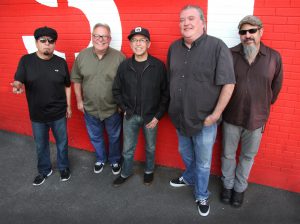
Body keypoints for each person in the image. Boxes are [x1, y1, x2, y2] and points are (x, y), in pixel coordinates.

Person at [167, 5, 236, 216]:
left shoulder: (217, 47)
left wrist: (215, 115)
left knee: (204, 163)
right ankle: (189, 176)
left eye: (190, 18)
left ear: (202, 23)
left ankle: (202, 194)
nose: (185, 23)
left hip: (205, 121)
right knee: (185, 153)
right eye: (182, 19)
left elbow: (229, 84)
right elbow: (172, 77)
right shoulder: (174, 48)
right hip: (179, 118)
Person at [220, 15, 283, 208]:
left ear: (260, 32)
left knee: (248, 156)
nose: (247, 35)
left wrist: (261, 105)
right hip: (231, 116)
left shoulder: (273, 57)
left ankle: (239, 188)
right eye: (243, 32)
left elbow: (276, 87)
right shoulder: (230, 55)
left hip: (256, 120)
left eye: (252, 31)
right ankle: (227, 186)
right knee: (228, 155)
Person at [12, 26, 72, 186]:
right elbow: (19, 80)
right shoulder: (26, 61)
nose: (47, 44)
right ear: (36, 42)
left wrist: (69, 106)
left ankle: (64, 167)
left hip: (59, 113)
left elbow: (67, 85)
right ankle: (45, 170)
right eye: (43, 41)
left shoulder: (61, 62)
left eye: (51, 41)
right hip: (37, 115)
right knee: (41, 145)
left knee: (62, 143)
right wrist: (17, 85)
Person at [112, 27, 169, 186]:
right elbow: (116, 90)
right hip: (130, 116)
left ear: (148, 44)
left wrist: (158, 116)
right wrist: (124, 108)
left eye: (142, 40)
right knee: (127, 149)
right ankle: (125, 172)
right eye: (134, 40)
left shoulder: (158, 66)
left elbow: (166, 93)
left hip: (150, 117)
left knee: (150, 147)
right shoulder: (124, 66)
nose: (138, 44)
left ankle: (149, 171)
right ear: (130, 44)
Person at [71, 23, 125, 175]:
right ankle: (101, 158)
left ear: (110, 38)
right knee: (95, 136)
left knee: (114, 137)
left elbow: (126, 83)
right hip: (90, 108)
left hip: (112, 108)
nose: (100, 39)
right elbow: (76, 79)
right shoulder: (82, 56)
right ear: (92, 37)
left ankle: (114, 160)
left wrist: (122, 104)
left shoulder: (119, 57)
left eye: (104, 36)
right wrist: (79, 101)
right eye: (97, 35)